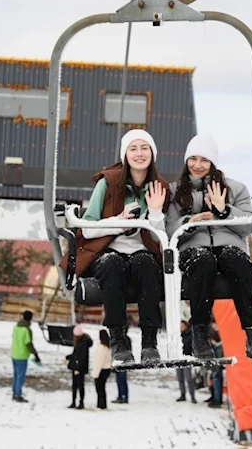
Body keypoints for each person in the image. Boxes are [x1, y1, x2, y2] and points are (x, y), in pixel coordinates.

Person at [60, 129, 171, 366]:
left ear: (152, 153)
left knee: (146, 264)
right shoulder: (107, 182)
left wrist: (155, 211)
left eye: (144, 148)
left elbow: (160, 236)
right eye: (133, 148)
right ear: (125, 154)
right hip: (107, 251)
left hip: (142, 252)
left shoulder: (159, 187)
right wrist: (118, 222)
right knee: (113, 264)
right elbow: (87, 229)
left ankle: (150, 341)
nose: (139, 154)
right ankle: (118, 340)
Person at [165, 133, 252, 363]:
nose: (198, 165)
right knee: (203, 261)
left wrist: (224, 211)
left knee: (239, 261)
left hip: (228, 244)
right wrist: (190, 224)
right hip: (193, 247)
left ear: (213, 162)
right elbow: (168, 229)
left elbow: (248, 225)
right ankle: (200, 336)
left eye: (204, 160)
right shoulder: (174, 192)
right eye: (193, 159)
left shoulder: (235, 189)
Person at [10, 310, 41, 403]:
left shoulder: (16, 327)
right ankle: (18, 395)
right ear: (30, 318)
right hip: (22, 356)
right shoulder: (26, 330)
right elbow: (28, 343)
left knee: (15, 375)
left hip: (14, 354)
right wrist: (35, 354)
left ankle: (15, 393)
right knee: (20, 377)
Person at [66, 324, 93, 409]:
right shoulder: (82, 342)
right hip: (77, 366)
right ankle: (75, 402)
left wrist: (77, 368)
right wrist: (69, 357)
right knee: (76, 385)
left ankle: (80, 402)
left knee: (79, 385)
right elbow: (76, 354)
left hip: (78, 367)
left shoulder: (82, 344)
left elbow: (81, 357)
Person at [176, 320, 197, 403]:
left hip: (187, 359)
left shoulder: (190, 335)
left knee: (189, 379)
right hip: (178, 359)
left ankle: (192, 396)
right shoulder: (177, 336)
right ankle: (183, 394)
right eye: (179, 326)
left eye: (182, 326)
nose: (180, 328)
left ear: (186, 326)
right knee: (180, 378)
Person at [91, 329, 112, 409]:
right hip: (106, 369)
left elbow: (99, 361)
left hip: (101, 370)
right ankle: (102, 404)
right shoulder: (108, 347)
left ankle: (101, 404)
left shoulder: (101, 348)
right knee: (102, 388)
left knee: (99, 388)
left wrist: (95, 373)